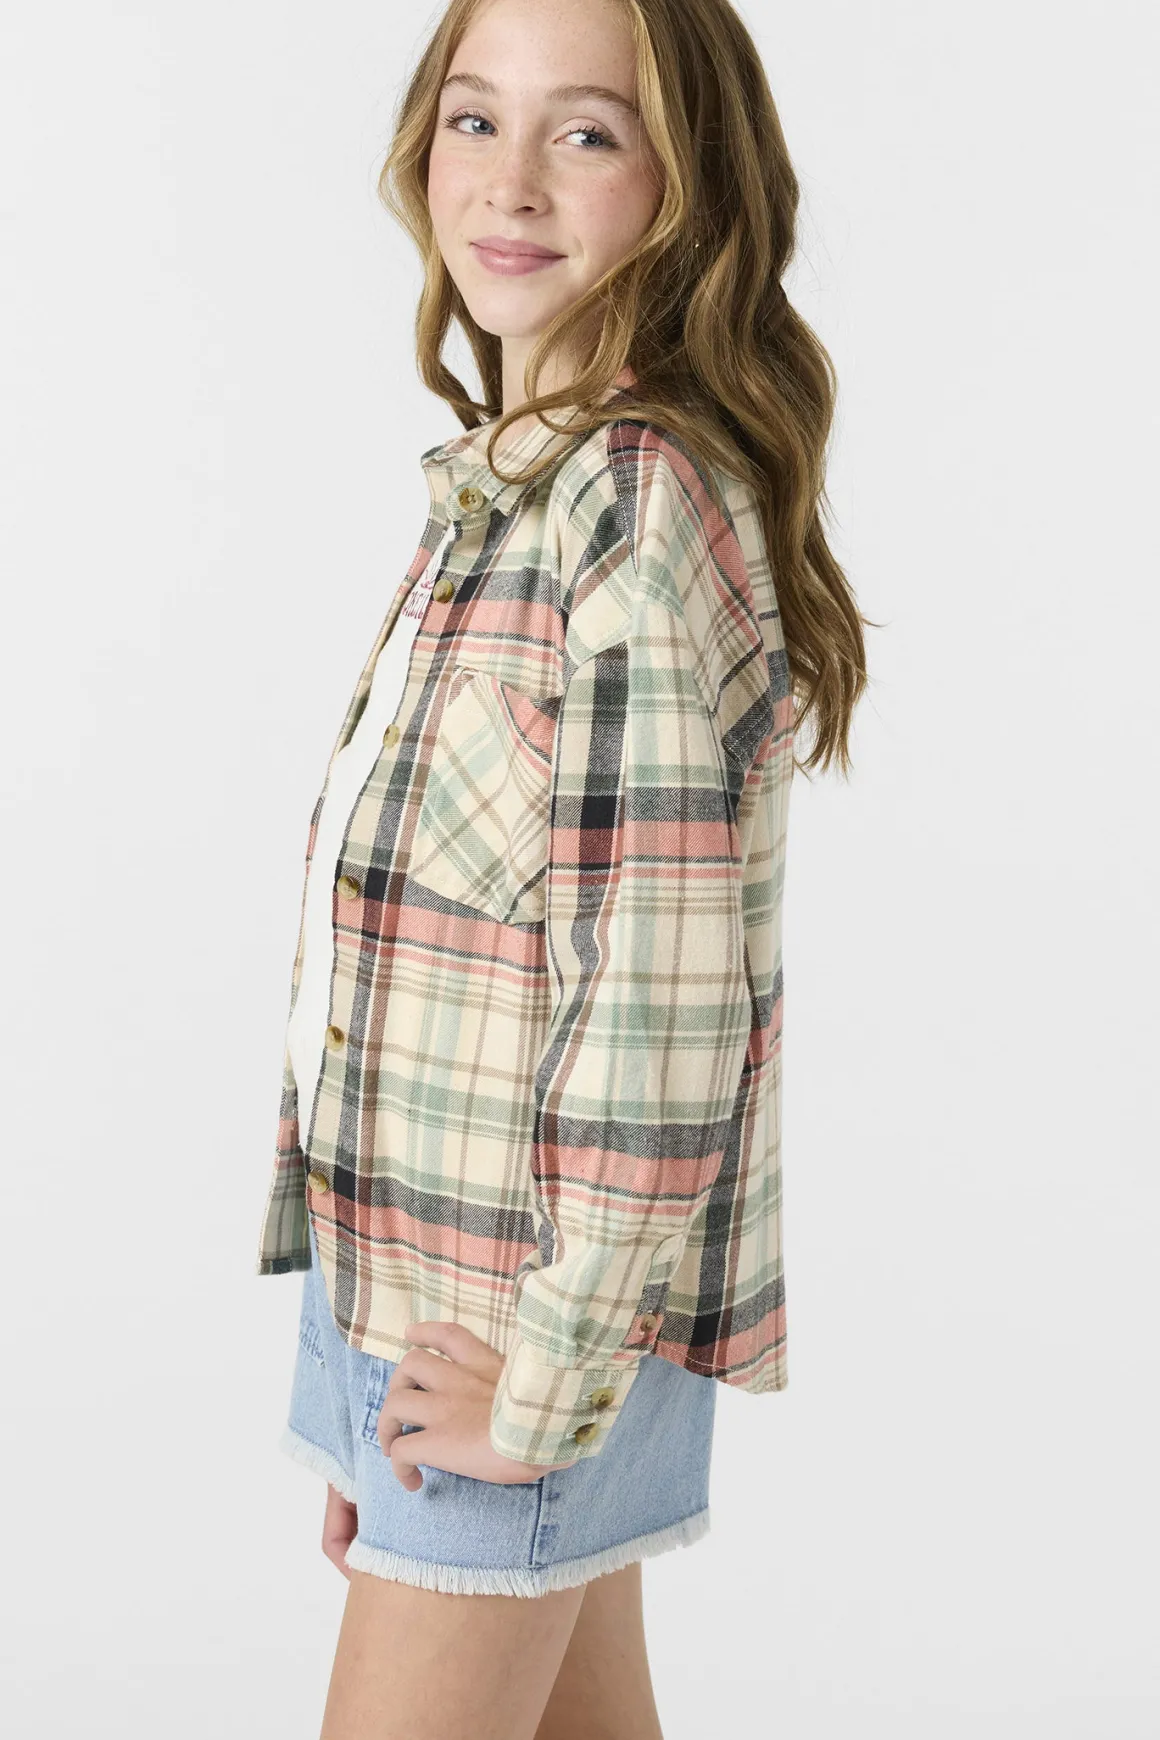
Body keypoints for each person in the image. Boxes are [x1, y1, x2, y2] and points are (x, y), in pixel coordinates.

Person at [254, 0, 868, 1733]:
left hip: (519, 1327)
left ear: (689, 180)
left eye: (586, 132)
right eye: (474, 118)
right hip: (437, 1308)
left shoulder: (632, 509)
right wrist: (370, 1400)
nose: (510, 180)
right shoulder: (517, 496)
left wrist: (539, 1395)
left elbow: (662, 1017)